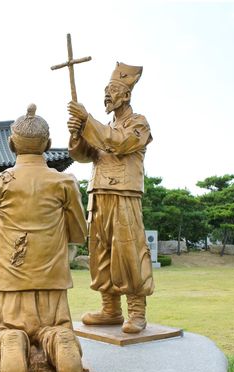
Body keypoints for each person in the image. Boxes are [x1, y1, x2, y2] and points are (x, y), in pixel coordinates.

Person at [0, 104, 88, 372]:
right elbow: (78, 232)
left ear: (11, 144)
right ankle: (58, 337)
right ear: (47, 145)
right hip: (52, 282)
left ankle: (7, 340)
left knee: (0, 328)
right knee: (54, 325)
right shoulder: (64, 182)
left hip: (8, 282)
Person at [67, 63, 154, 335]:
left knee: (128, 251)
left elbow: (118, 143)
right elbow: (83, 155)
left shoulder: (138, 123)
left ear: (126, 95)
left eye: (113, 91)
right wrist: (77, 130)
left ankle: (137, 312)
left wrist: (88, 120)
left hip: (124, 193)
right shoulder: (102, 126)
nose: (107, 96)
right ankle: (110, 309)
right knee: (100, 252)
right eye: (106, 91)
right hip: (98, 194)